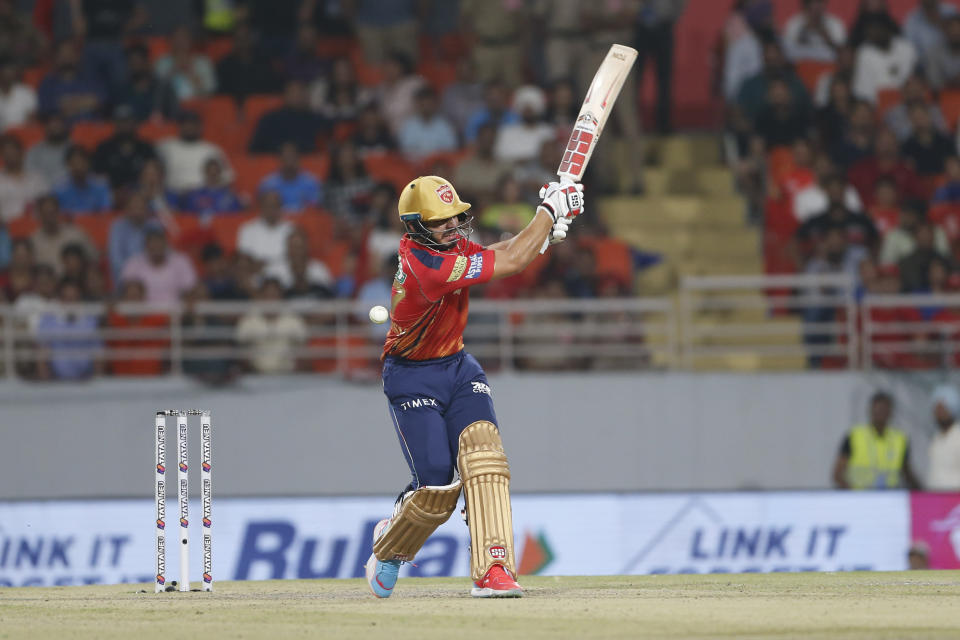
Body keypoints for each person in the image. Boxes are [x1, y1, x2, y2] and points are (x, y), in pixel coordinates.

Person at [364, 175, 582, 599]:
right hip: (410, 376)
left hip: (459, 368)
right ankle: (390, 544)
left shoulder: (447, 247)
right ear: (416, 226)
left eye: (454, 216)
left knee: (486, 459)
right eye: (441, 220)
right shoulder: (427, 266)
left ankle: (494, 568)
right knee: (436, 489)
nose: (452, 225)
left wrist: (542, 238)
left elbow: (500, 252)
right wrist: (547, 213)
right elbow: (512, 263)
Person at [832, 391, 922, 489]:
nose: (880, 414)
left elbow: (906, 472)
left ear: (890, 412)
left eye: (884, 410)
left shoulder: (900, 439)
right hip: (860, 497)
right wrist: (852, 494)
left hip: (889, 497)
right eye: (877, 410)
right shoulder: (854, 436)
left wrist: (923, 493)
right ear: (870, 411)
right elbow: (838, 474)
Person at [157, 110, 233, 194]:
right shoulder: (165, 146)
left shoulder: (212, 150)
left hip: (202, 196)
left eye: (193, 124)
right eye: (186, 124)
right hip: (171, 193)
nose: (189, 127)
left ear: (200, 127)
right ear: (179, 126)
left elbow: (227, 177)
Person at [248, 80, 329, 154]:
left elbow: (321, 148)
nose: (297, 96)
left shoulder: (315, 119)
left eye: (300, 92)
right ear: (285, 95)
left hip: (308, 165)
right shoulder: (270, 119)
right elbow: (255, 150)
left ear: (306, 95)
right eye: (293, 92)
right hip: (272, 164)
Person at [119, 228, 197, 304]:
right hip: (142, 313)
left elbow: (190, 288)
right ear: (145, 246)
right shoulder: (133, 264)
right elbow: (126, 292)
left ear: (166, 244)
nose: (156, 246)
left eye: (159, 242)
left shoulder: (181, 261)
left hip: (176, 312)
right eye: (153, 243)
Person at [0, 134, 48, 222]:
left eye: (13, 150)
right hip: (5, 230)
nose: (10, 154)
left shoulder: (37, 179)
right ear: (2, 155)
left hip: (35, 228)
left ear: (22, 152)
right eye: (6, 152)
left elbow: (47, 206)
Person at [54, 145, 112, 216]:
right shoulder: (59, 190)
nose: (78, 167)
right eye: (74, 164)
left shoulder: (101, 186)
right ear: (68, 165)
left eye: (81, 163)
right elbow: (58, 216)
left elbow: (106, 214)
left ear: (88, 163)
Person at [927, 385, 960, 490]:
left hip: (955, 497)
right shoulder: (936, 437)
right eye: (937, 409)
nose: (939, 413)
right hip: (934, 496)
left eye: (942, 409)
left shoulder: (957, 435)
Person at [0, 57, 35, 131]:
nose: (7, 75)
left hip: (21, 135)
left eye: (10, 72)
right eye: (5, 72)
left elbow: (31, 120)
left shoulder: (26, 92)